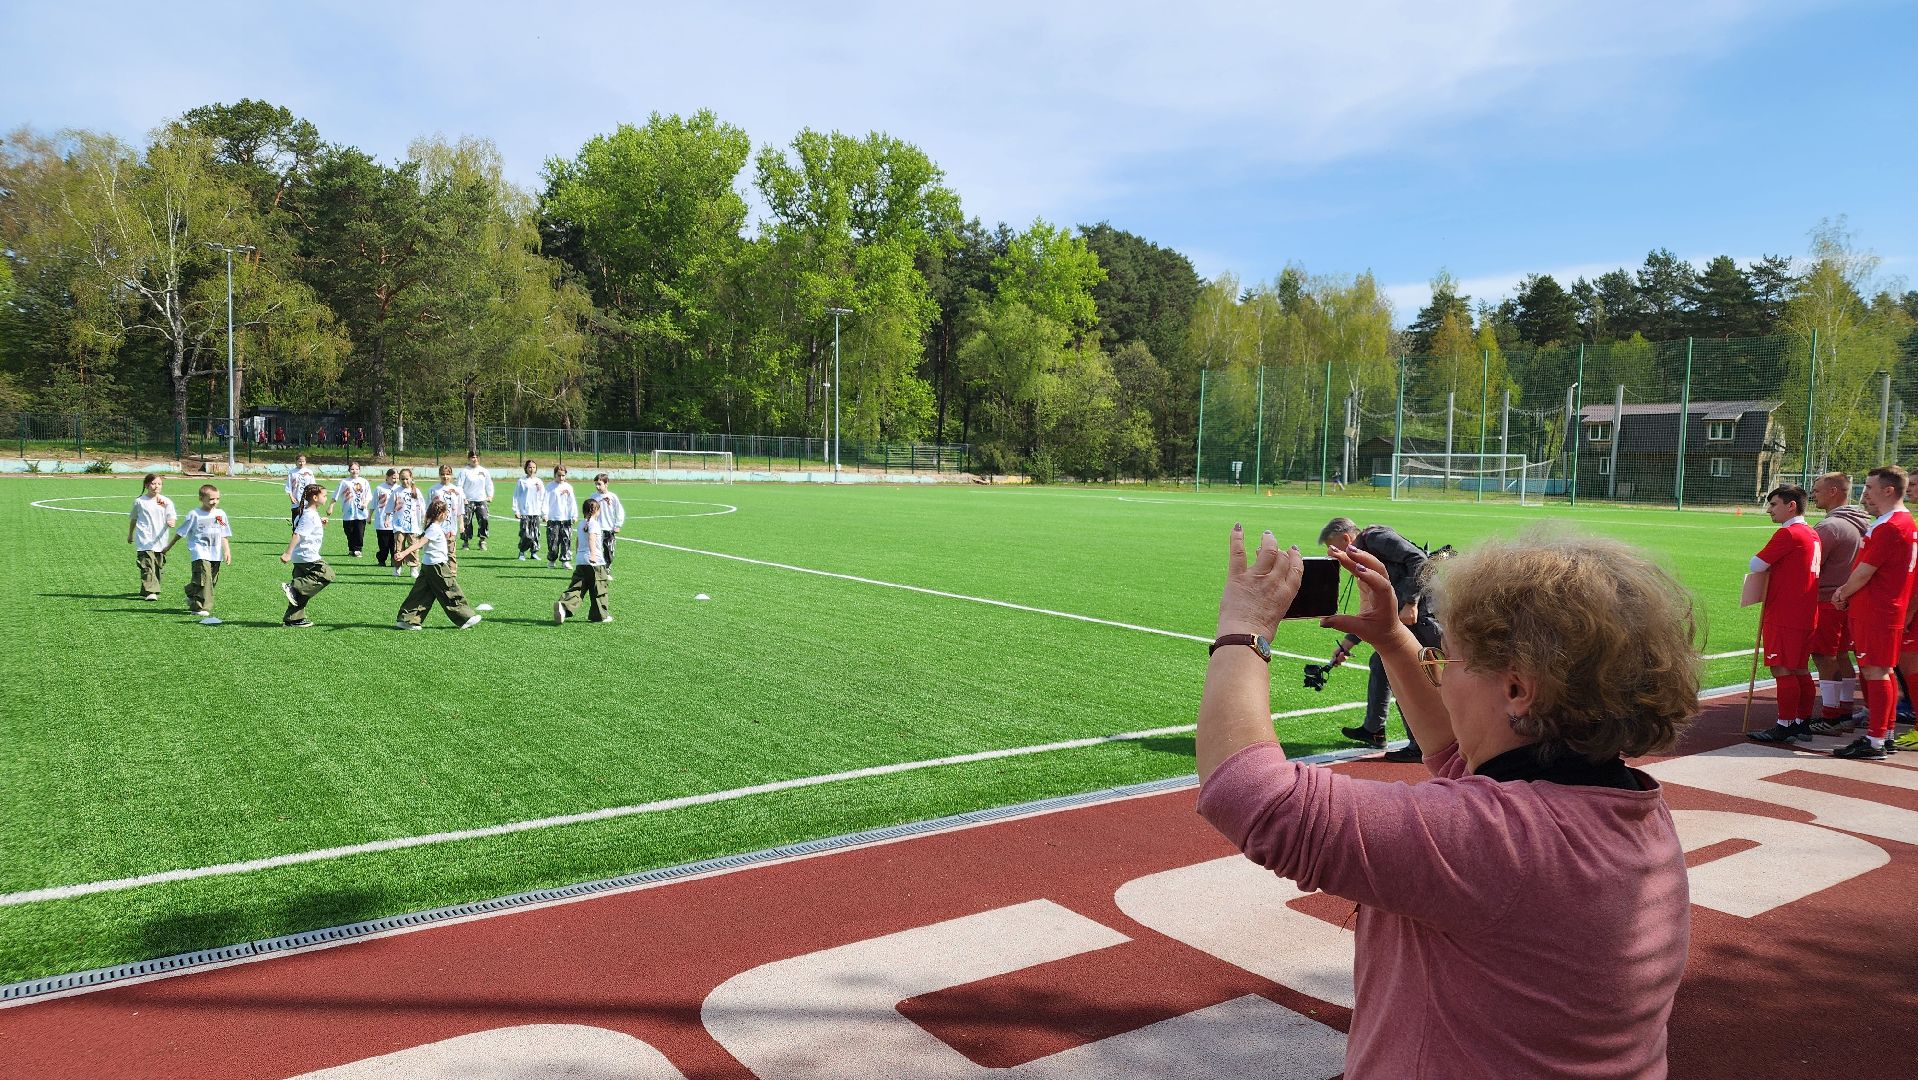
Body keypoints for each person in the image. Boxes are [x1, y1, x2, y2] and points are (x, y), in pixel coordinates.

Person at [1198, 525, 1694, 1078]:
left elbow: (1251, 796)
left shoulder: (1500, 843)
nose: (1438, 671)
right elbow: (1463, 756)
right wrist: (1391, 637)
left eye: (1446, 661)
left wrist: (1244, 631)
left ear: (1516, 690)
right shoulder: (1623, 811)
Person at [1319, 516, 1443, 763]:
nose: (1335, 556)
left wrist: (1411, 602)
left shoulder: (1375, 538)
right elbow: (1375, 612)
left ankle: (1422, 745)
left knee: (1410, 673)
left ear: (1347, 538)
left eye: (1335, 548)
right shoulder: (1366, 559)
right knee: (1381, 664)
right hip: (1408, 618)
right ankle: (1374, 729)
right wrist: (1346, 644)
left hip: (1422, 616)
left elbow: (1420, 560)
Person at [1830, 465, 1916, 760]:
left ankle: (1876, 740)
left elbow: (1865, 572)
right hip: (1884, 608)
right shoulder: (1903, 523)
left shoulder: (1891, 526)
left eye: (1869, 487)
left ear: (1888, 490)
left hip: (1876, 609)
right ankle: (1885, 734)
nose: (1864, 493)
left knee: (1876, 672)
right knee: (1885, 671)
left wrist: (1842, 592)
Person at [1748, 485, 1823, 743]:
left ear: (1791, 506)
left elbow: (1756, 563)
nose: (1769, 510)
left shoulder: (1789, 534)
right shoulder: (1812, 533)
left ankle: (1785, 724)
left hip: (1785, 612)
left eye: (1774, 504)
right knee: (1800, 669)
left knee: (1782, 668)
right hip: (1805, 611)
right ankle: (1802, 722)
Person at [1807, 472, 1871, 734]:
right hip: (1850, 599)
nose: (1813, 494)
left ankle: (1832, 715)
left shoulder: (1829, 527)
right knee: (1842, 655)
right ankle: (1844, 710)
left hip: (1829, 600)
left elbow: (1811, 565)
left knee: (1825, 656)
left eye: (1817, 489)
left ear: (1834, 491)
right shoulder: (1861, 523)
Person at [391, 498, 483, 630]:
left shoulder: (433, 528)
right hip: (437, 566)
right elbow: (419, 543)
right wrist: (404, 553)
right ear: (441, 514)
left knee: (421, 593)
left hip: (428, 566)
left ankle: (407, 620)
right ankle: (466, 618)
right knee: (449, 590)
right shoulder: (433, 528)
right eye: (446, 512)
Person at [165, 483, 233, 622]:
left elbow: (224, 534)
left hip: (215, 553)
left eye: (217, 499)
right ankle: (200, 607)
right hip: (199, 551)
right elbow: (181, 532)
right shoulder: (194, 514)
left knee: (211, 581)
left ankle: (190, 591)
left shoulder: (220, 515)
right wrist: (169, 546)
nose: (215, 502)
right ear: (201, 498)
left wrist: (227, 550)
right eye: (211, 499)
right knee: (205, 578)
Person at [278, 484, 332, 628]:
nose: (326, 498)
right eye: (324, 495)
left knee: (301, 591)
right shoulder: (309, 515)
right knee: (327, 574)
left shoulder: (308, 514)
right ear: (315, 498)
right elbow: (297, 534)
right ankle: (293, 587)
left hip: (300, 556)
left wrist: (320, 522)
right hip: (307, 555)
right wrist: (287, 553)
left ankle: (293, 619)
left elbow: (303, 527)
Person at [554, 496, 612, 624]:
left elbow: (578, 541)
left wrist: (579, 555)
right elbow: (591, 539)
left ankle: (563, 607)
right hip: (594, 561)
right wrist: (592, 554)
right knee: (599, 588)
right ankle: (600, 615)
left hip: (581, 560)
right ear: (597, 511)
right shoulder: (594, 524)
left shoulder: (581, 524)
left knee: (577, 587)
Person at [126, 473, 178, 601]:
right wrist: (130, 534)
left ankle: (146, 590)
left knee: (157, 565)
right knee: (146, 564)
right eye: (153, 483)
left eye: (159, 484)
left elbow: (172, 516)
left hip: (160, 539)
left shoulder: (166, 501)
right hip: (145, 538)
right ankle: (151, 591)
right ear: (147, 485)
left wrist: (171, 522)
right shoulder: (140, 502)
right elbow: (133, 519)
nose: (156, 486)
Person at [332, 461, 374, 558]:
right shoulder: (344, 482)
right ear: (349, 470)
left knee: (359, 531)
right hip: (348, 511)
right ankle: (351, 549)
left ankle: (358, 549)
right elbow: (336, 494)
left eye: (356, 469)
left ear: (359, 470)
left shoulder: (364, 481)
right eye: (352, 469)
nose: (354, 471)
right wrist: (331, 506)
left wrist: (365, 503)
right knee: (349, 531)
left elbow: (368, 495)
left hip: (361, 512)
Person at [390, 469, 426, 579]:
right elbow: (390, 506)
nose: (405, 481)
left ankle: (413, 567)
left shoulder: (416, 491)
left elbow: (422, 507)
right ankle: (397, 567)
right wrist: (387, 518)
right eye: (402, 479)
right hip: (399, 524)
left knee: (413, 546)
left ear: (411, 478)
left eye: (407, 479)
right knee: (398, 545)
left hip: (413, 525)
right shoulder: (396, 491)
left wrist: (424, 518)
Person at [457, 451, 495, 551]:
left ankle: (482, 541)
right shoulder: (464, 471)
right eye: (473, 457)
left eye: (477, 457)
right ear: (469, 459)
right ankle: (466, 542)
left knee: (484, 519)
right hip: (468, 500)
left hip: (481, 500)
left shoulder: (484, 471)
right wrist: (463, 498)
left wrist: (490, 495)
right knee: (466, 521)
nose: (475, 459)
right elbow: (459, 486)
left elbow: (489, 484)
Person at [589, 472, 624, 575]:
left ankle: (607, 571)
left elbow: (619, 511)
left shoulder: (612, 497)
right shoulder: (593, 497)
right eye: (596, 484)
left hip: (609, 528)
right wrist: (588, 523)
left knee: (609, 552)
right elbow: (589, 512)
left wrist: (618, 525)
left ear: (606, 483)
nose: (597, 486)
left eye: (599, 484)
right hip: (596, 529)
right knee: (596, 551)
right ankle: (597, 571)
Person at [513, 459, 547, 561]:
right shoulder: (521, 481)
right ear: (526, 468)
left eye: (533, 467)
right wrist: (516, 510)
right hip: (525, 512)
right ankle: (522, 552)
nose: (531, 469)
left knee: (535, 534)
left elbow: (543, 497)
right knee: (525, 534)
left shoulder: (539, 482)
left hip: (536, 512)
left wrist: (544, 513)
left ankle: (534, 552)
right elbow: (516, 496)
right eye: (529, 467)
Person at [545, 465, 578, 569]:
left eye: (563, 475)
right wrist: (544, 514)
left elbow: (572, 503)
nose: (561, 478)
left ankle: (565, 561)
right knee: (553, 542)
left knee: (566, 540)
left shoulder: (568, 487)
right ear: (555, 475)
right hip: (553, 518)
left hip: (566, 519)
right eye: (559, 475)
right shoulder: (549, 487)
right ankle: (552, 560)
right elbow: (544, 502)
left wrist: (574, 515)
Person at [427, 465, 466, 546]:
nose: (445, 476)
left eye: (447, 474)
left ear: (451, 475)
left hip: (451, 526)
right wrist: (427, 523)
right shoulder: (433, 490)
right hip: (437, 525)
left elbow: (460, 509)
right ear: (439, 475)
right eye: (442, 474)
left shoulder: (457, 491)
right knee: (438, 550)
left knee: (451, 552)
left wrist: (461, 524)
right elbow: (428, 508)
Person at [372, 467, 401, 567]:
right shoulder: (380, 488)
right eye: (393, 478)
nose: (395, 480)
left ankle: (394, 560)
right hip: (382, 520)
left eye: (397, 478)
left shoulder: (399, 489)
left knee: (394, 544)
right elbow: (373, 503)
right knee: (383, 544)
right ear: (387, 477)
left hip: (395, 521)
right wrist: (369, 516)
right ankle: (381, 560)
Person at [284, 453, 316, 528]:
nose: (301, 463)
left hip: (307, 501)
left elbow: (313, 486)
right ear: (296, 462)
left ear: (305, 462)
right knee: (296, 522)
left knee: (307, 522)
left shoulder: (309, 472)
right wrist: (291, 497)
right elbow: (289, 486)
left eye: (303, 461)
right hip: (296, 501)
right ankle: (295, 538)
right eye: (299, 461)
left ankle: (305, 539)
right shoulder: (292, 472)